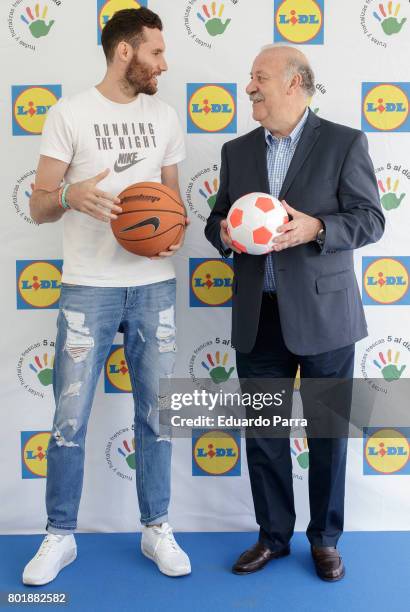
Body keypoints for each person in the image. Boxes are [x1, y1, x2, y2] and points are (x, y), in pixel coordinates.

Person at [23, 7, 191, 584]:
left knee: (156, 415)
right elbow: (37, 203)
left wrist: (171, 228)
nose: (163, 64)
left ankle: (157, 527)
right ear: (125, 51)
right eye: (156, 53)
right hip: (87, 288)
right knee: (69, 417)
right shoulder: (69, 112)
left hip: (152, 288)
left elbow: (172, 205)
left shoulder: (165, 116)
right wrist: (72, 196)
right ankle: (59, 536)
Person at [205, 44, 384, 581]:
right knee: (265, 435)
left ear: (294, 84)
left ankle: (325, 539)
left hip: (327, 320)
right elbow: (217, 221)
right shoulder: (236, 152)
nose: (250, 88)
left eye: (259, 77)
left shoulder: (344, 142)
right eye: (249, 77)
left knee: (328, 433)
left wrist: (318, 229)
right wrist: (226, 234)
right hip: (258, 319)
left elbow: (370, 219)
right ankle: (273, 536)